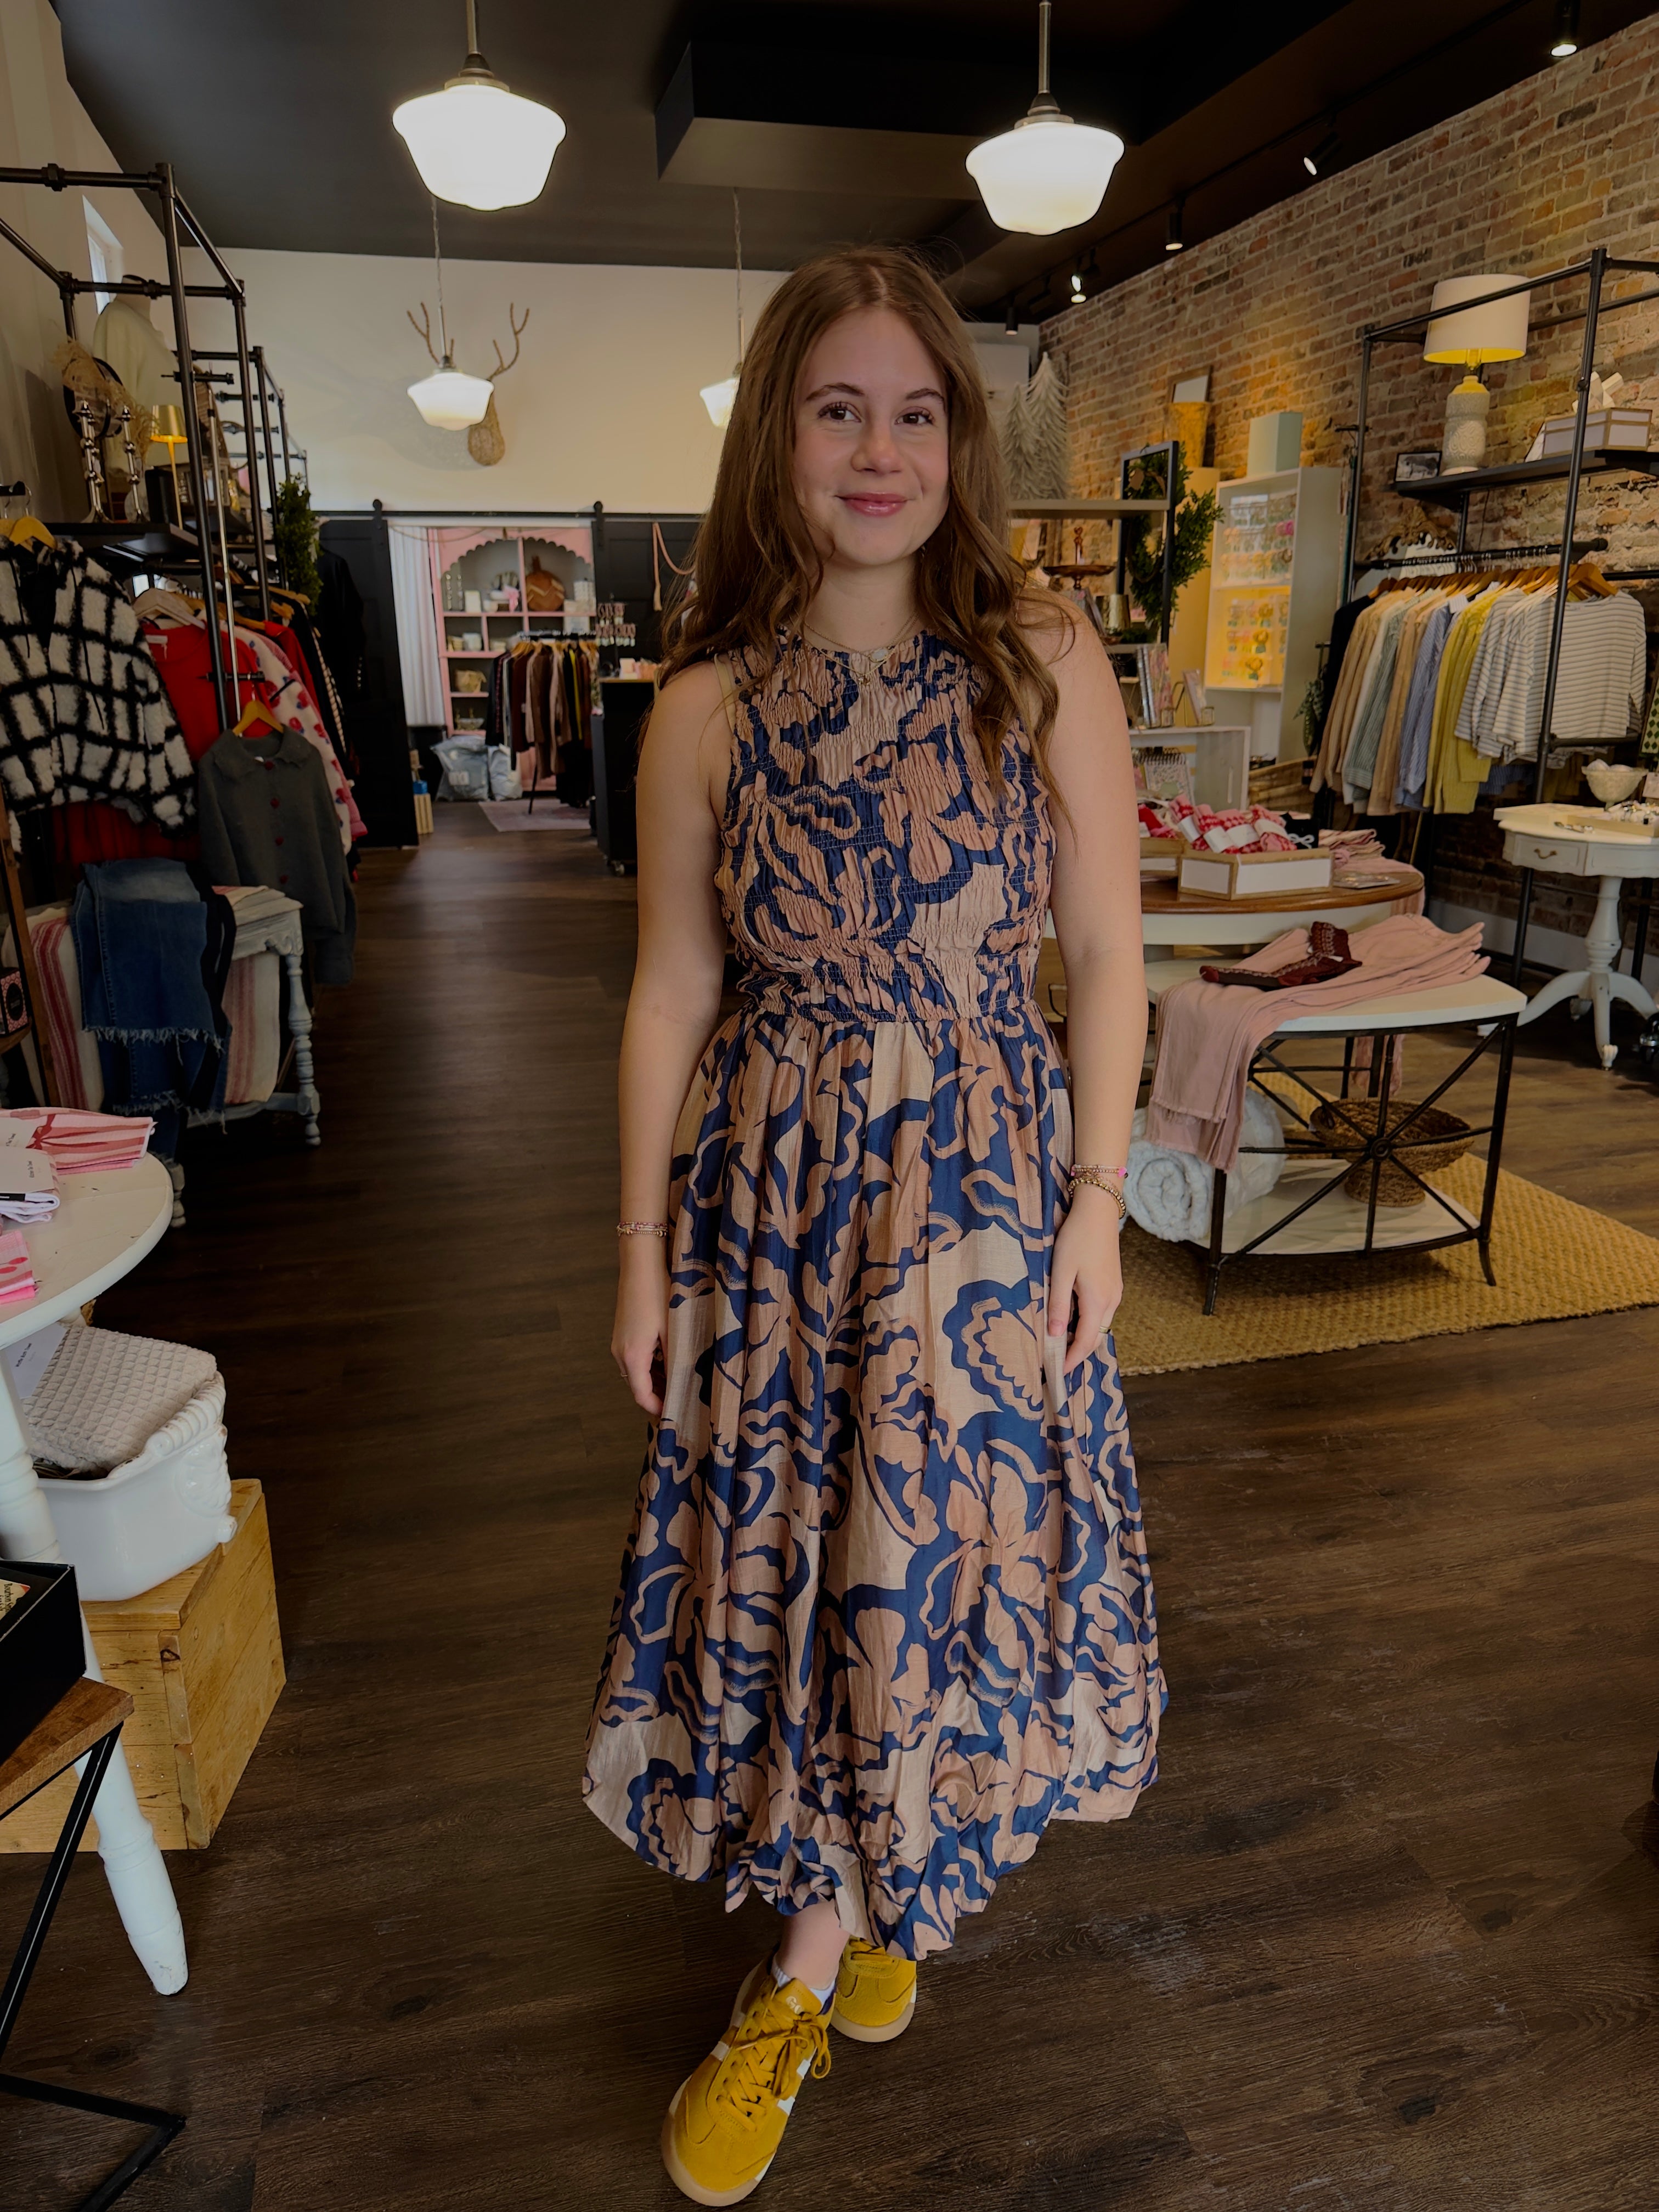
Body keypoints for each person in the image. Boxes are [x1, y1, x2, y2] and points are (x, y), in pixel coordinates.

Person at [584, 243, 1163, 2205]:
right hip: (775, 1214)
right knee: (806, 1572)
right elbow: (670, 992)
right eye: (840, 410)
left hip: (984, 1208)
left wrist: (1103, 1203)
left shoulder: (1039, 657)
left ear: (959, 440)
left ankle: (809, 1966)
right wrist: (639, 1257)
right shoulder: (705, 706)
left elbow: (1108, 951)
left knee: (923, 1569)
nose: (881, 450)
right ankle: (867, 1906)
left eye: (917, 412)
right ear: (780, 434)